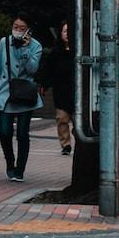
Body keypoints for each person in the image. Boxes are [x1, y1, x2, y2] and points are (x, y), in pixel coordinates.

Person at [0, 15, 43, 182]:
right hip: (5, 93)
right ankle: (10, 162)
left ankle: (20, 169)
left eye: (22, 28)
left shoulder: (36, 46)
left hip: (24, 95)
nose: (18, 30)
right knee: (5, 132)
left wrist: (25, 50)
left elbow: (32, 70)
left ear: (28, 30)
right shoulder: (4, 42)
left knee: (22, 133)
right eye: (16, 26)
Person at [40, 20, 77, 157]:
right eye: (65, 31)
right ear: (60, 33)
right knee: (62, 119)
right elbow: (48, 70)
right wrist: (44, 84)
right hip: (61, 90)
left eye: (69, 32)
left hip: (77, 92)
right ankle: (65, 144)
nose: (67, 35)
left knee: (77, 121)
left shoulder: (79, 51)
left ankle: (79, 140)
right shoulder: (55, 52)